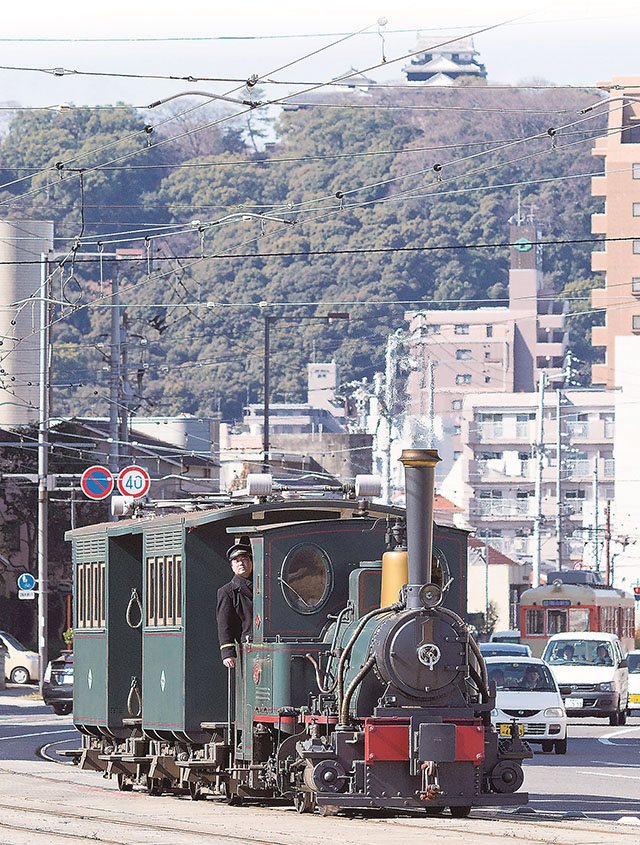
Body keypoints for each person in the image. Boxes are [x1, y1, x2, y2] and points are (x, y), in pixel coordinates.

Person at [216, 541, 254, 669]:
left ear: (251, 561)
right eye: (236, 561)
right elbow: (224, 623)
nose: (241, 563)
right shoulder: (226, 592)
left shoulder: (264, 585)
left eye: (244, 559)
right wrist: (227, 653)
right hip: (246, 646)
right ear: (232, 566)